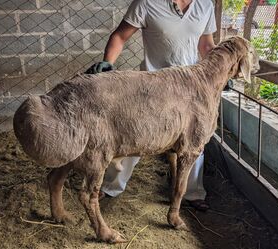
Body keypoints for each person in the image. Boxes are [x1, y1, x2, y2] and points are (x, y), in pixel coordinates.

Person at [85, 0, 216, 211]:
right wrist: (108, 62)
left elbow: (206, 45)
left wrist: (219, 71)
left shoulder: (205, 5)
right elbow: (120, 35)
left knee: (195, 141)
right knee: (135, 135)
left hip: (190, 90)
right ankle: (111, 186)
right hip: (154, 89)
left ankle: (192, 192)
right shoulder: (147, 3)